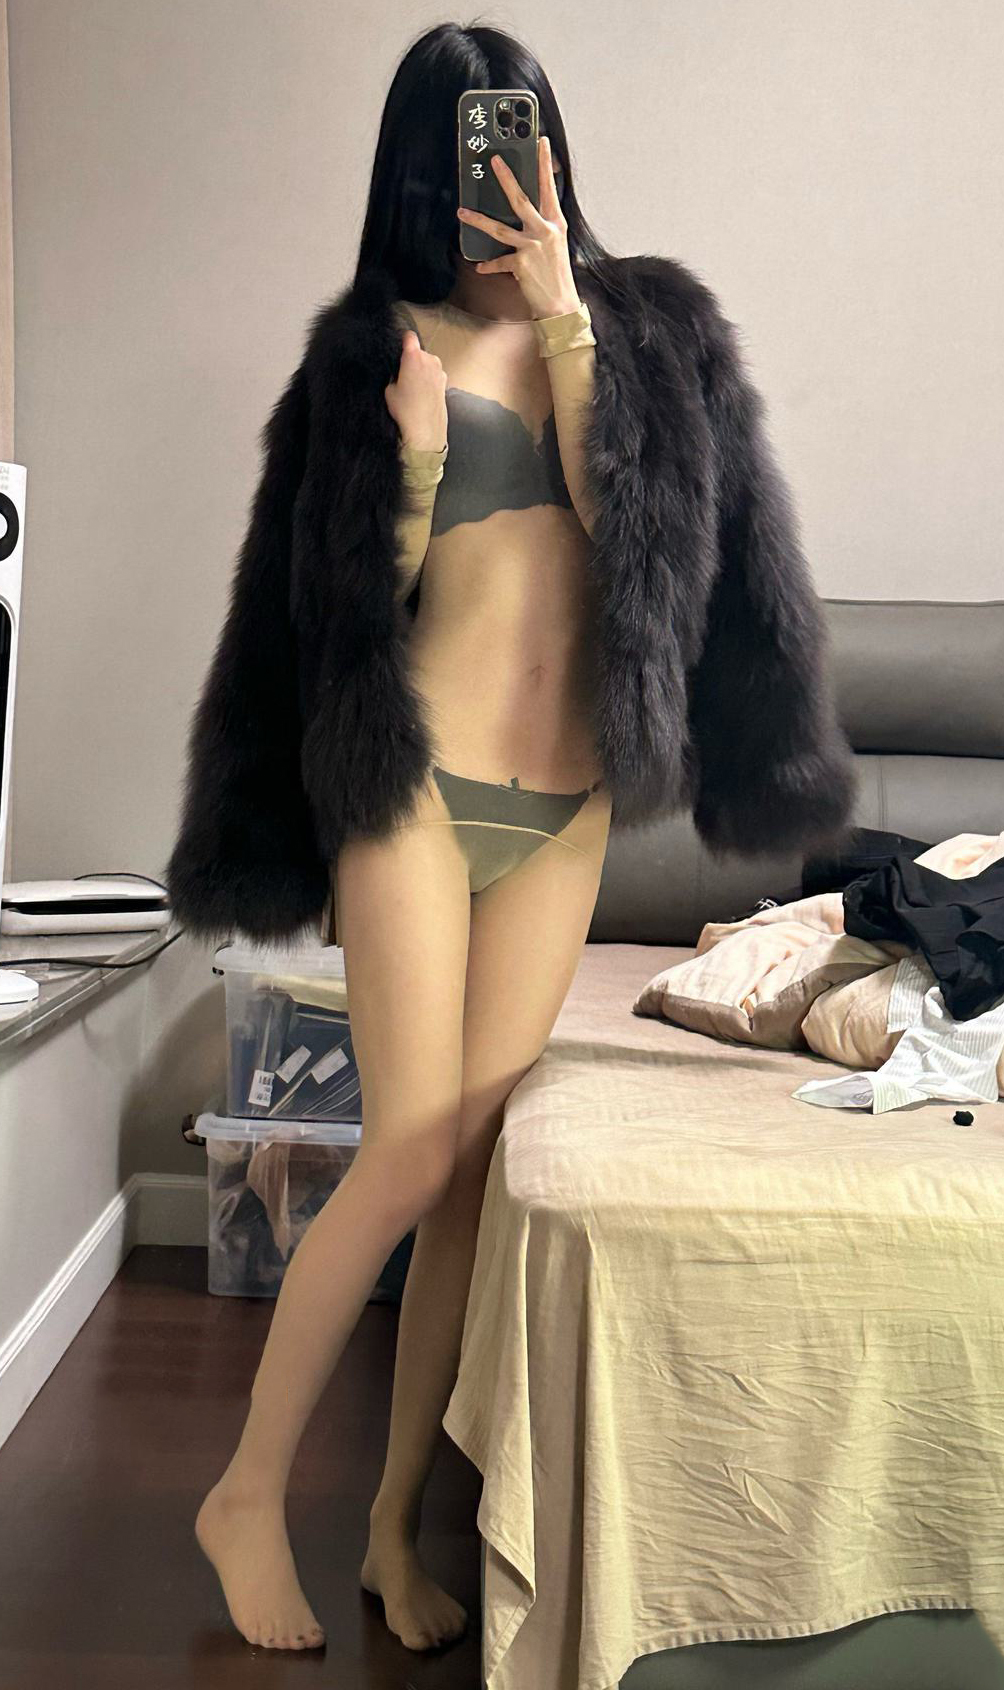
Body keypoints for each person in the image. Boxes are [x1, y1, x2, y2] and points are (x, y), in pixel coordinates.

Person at [169, 17, 856, 1660]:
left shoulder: (641, 329)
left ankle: (392, 1524)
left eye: (527, 137)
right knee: (410, 1145)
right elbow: (333, 615)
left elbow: (658, 559)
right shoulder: (366, 357)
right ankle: (246, 1491)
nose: (504, 175)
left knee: (471, 1166)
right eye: (472, 149)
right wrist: (411, 474)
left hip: (564, 808)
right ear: (424, 170)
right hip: (412, 788)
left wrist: (563, 323)